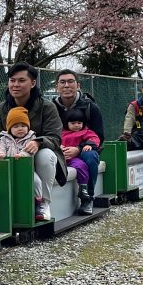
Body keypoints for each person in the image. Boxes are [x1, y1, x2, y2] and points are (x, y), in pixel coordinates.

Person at [0, 62, 67, 221]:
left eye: (21, 80)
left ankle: (44, 204)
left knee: (46, 155)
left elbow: (55, 137)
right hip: (11, 156)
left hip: (38, 158)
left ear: (32, 83)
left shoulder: (47, 107)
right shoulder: (0, 109)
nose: (15, 85)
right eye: (12, 80)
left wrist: (38, 142)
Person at [51, 69, 105, 211]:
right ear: (57, 87)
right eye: (62, 82)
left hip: (84, 149)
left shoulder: (90, 107)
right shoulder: (51, 107)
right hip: (59, 149)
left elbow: (99, 136)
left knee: (90, 156)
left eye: (70, 82)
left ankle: (88, 199)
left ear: (78, 85)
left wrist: (79, 149)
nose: (66, 86)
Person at [60, 108, 101, 214]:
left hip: (75, 159)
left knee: (82, 166)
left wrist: (88, 144)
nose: (77, 125)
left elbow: (94, 139)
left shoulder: (85, 132)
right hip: (62, 158)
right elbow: (54, 140)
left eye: (79, 123)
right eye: (73, 123)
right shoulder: (62, 133)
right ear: (67, 123)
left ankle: (84, 190)